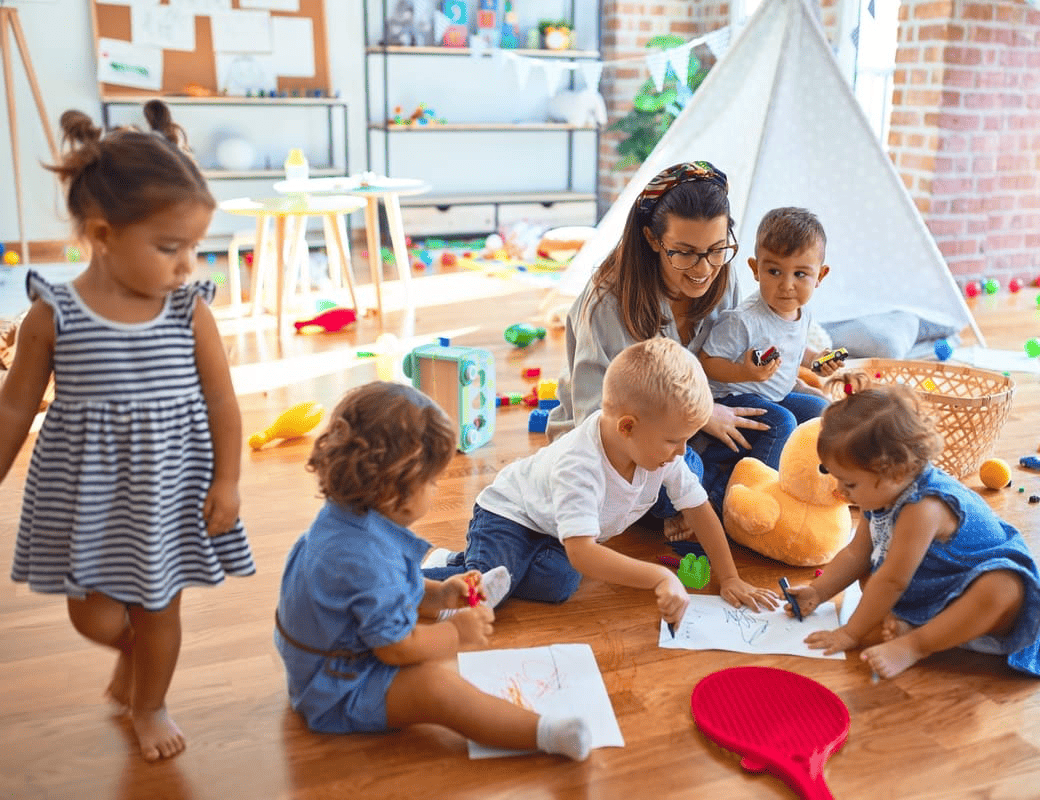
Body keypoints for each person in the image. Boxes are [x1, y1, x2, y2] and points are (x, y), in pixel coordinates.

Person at [0, 102, 255, 761]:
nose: (186, 265)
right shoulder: (51, 314)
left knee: (157, 607)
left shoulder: (187, 310)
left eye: (193, 247)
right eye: (170, 248)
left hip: (167, 494)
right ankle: (137, 657)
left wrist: (227, 479)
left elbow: (223, 399)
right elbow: (13, 409)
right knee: (94, 617)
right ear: (103, 234)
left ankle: (150, 701)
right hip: (86, 499)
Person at [275, 382, 591, 760]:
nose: (437, 489)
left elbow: (383, 592)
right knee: (436, 687)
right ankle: (545, 733)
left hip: (332, 660)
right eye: (432, 481)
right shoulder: (364, 558)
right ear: (394, 489)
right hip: (338, 686)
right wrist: (455, 633)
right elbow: (396, 648)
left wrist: (439, 596)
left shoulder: (349, 521)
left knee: (438, 668)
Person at [424, 338, 778, 624]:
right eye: (674, 441)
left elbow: (698, 508)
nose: (682, 452)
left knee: (560, 582)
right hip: (509, 516)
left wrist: (729, 576)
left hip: (553, 528)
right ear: (627, 427)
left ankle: (469, 561)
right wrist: (660, 576)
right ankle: (410, 584)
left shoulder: (659, 451)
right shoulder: (580, 464)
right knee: (484, 595)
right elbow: (583, 553)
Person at [782, 374, 1040, 680]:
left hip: (978, 597)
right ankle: (922, 625)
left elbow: (894, 581)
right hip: (932, 584)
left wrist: (851, 633)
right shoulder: (881, 495)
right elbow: (855, 554)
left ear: (893, 471)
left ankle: (917, 644)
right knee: (869, 571)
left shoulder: (923, 507)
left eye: (850, 482)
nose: (840, 489)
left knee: (1003, 588)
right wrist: (818, 591)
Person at [546, 160, 769, 539]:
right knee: (679, 476)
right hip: (631, 448)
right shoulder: (607, 304)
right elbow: (595, 419)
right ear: (652, 239)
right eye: (684, 253)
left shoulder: (722, 276)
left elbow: (730, 369)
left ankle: (719, 505)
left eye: (717, 249)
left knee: (800, 415)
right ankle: (718, 509)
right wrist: (699, 419)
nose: (703, 269)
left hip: (695, 428)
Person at [698, 207, 838, 487]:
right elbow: (706, 362)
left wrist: (816, 361)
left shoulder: (801, 311)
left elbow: (794, 349)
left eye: (800, 274)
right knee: (782, 422)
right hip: (734, 397)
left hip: (773, 394)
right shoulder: (744, 320)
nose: (786, 285)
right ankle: (747, 492)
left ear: (820, 276)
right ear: (755, 269)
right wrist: (744, 372)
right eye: (774, 271)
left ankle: (802, 480)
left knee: (822, 410)